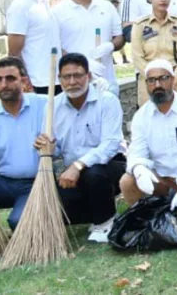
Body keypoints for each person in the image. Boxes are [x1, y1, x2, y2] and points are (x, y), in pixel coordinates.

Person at [41, 53, 126, 242]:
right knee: (66, 210)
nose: (72, 82)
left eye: (78, 75)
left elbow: (110, 145)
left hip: (110, 165)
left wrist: (79, 165)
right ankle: (95, 213)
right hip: (72, 173)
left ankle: (105, 223)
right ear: (59, 79)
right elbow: (55, 150)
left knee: (93, 174)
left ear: (88, 76)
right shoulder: (52, 107)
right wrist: (46, 147)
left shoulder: (107, 101)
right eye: (66, 77)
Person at [120, 59, 177, 207]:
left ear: (172, 80)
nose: (157, 85)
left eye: (163, 78)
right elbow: (136, 152)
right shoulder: (141, 116)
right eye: (151, 80)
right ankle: (144, 218)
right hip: (161, 180)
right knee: (127, 181)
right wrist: (139, 170)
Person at [0, 57, 49, 230]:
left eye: (10, 78)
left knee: (18, 223)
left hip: (37, 183)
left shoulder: (45, 105)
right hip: (2, 183)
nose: (3, 84)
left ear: (24, 81)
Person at [54, 0, 124, 94]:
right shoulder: (57, 12)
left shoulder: (106, 7)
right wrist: (82, 64)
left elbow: (119, 37)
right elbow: (56, 47)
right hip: (75, 87)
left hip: (107, 84)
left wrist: (111, 46)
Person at [130, 0, 177, 104]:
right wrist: (155, 80)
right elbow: (137, 57)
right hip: (150, 85)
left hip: (176, 83)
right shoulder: (140, 25)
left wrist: (172, 80)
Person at [7, 0, 61, 94]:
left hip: (56, 80)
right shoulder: (21, 7)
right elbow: (14, 53)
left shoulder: (44, 3)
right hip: (38, 84)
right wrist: (25, 83)